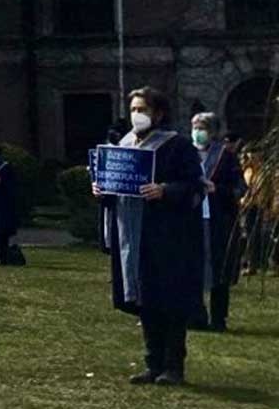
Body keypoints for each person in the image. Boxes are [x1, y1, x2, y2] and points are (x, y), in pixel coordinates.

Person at [95, 86, 204, 385]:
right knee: (144, 299)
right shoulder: (124, 144)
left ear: (159, 113)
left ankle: (173, 366)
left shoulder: (177, 145)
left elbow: (195, 186)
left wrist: (165, 190)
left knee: (168, 298)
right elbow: (116, 191)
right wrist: (103, 189)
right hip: (131, 232)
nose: (137, 115)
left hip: (165, 235)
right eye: (133, 109)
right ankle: (152, 363)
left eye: (143, 109)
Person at [190, 112, 244, 333]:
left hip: (217, 220)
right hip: (191, 218)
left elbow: (239, 187)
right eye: (194, 126)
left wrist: (217, 190)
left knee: (218, 269)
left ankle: (219, 318)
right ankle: (196, 315)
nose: (197, 131)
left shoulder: (225, 156)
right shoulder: (186, 153)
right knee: (192, 267)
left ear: (212, 131)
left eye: (201, 127)